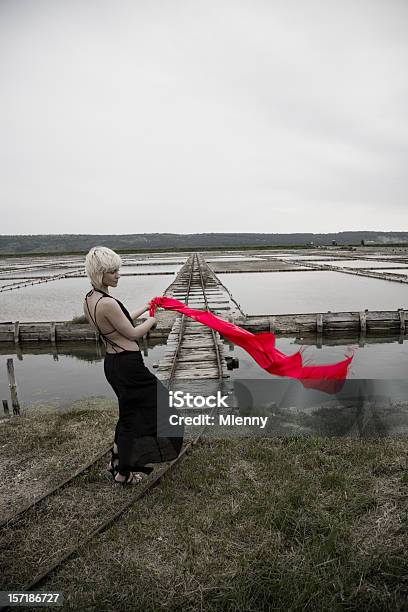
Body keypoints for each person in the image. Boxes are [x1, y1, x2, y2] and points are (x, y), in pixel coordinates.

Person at [83, 246, 183, 485]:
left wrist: (148, 305)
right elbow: (133, 332)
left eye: (118, 270)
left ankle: (118, 462)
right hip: (129, 368)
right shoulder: (107, 303)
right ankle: (123, 473)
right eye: (112, 272)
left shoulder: (91, 299)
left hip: (114, 364)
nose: (118, 275)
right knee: (159, 408)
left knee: (128, 415)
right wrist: (152, 320)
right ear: (99, 273)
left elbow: (121, 320)